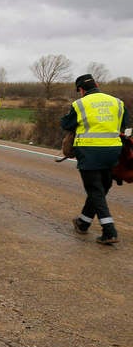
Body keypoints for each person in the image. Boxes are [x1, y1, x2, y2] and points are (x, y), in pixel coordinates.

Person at [61, 74, 128, 245]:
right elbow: (123, 125)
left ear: (81, 90)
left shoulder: (80, 104)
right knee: (102, 187)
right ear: (97, 85)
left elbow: (66, 125)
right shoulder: (117, 102)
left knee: (95, 189)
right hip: (113, 151)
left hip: (89, 151)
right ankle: (83, 222)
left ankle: (109, 230)